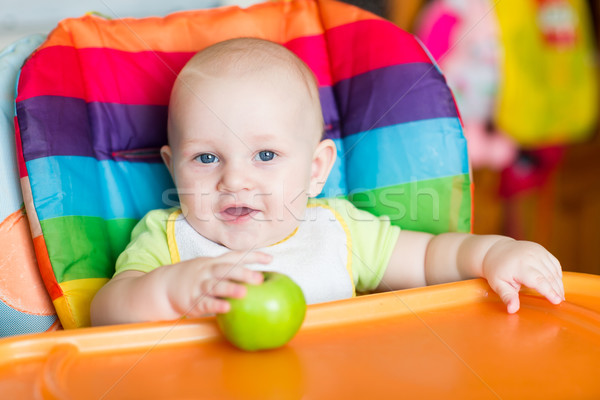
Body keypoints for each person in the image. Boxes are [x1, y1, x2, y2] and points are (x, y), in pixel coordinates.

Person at [90, 38, 564, 326]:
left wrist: (493, 253)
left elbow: (427, 258)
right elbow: (105, 310)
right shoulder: (169, 239)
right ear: (173, 167)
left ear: (317, 169)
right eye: (207, 157)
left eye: (266, 155)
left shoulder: (339, 231)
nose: (234, 178)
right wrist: (172, 291)